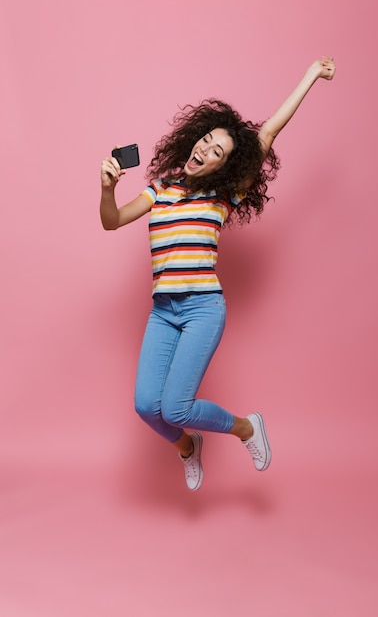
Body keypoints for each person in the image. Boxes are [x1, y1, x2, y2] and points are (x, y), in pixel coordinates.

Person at [100, 57, 336, 491]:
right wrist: (107, 188)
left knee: (175, 407)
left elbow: (266, 134)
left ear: (225, 166)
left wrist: (309, 76)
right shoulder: (161, 189)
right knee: (145, 407)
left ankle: (247, 428)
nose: (204, 150)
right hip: (163, 311)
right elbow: (111, 221)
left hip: (202, 310)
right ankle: (188, 448)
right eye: (205, 141)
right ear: (192, 140)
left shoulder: (223, 196)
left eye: (217, 152)